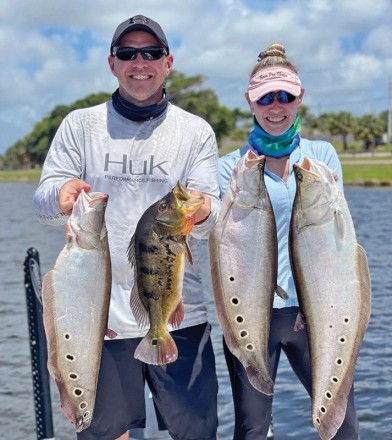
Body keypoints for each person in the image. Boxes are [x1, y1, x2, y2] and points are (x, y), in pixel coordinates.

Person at [33, 14, 220, 440]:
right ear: (111, 63)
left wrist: (206, 211)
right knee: (105, 434)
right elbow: (43, 205)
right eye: (128, 53)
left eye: (151, 53)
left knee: (197, 433)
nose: (140, 61)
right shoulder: (80, 126)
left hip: (180, 316)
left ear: (168, 62)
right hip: (100, 317)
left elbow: (212, 222)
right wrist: (60, 195)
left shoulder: (195, 132)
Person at [218, 43, 360, 439]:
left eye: (285, 96)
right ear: (251, 102)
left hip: (317, 311)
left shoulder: (322, 157)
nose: (276, 106)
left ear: (300, 98)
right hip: (253, 312)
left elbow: (340, 244)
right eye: (266, 97)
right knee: (251, 426)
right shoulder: (230, 168)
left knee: (342, 423)